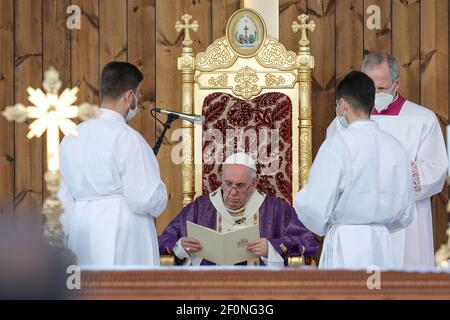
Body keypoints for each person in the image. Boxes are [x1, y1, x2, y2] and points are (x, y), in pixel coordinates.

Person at [327, 53, 448, 268]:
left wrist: (392, 179)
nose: (373, 95)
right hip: (360, 222)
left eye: (381, 88)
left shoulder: (422, 119)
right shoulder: (343, 122)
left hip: (408, 222)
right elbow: (332, 167)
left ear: (397, 83)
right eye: (368, 88)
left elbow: (435, 169)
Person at [295, 71, 414, 269]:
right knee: (378, 294)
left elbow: (314, 207)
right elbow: (406, 211)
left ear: (343, 105)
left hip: (346, 243)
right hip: (382, 242)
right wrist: (377, 224)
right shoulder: (395, 147)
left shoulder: (336, 146)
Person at [58, 62, 167, 266]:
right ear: (129, 96)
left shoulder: (71, 138)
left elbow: (62, 201)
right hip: (125, 233)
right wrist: (161, 192)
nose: (138, 100)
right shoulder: (129, 138)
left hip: (81, 231)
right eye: (138, 94)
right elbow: (146, 198)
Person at [159, 152, 318, 266]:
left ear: (254, 184)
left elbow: (307, 242)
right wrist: (180, 246)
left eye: (240, 185)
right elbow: (163, 240)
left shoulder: (276, 209)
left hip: (261, 289)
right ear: (221, 178)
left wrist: (271, 247)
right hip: (209, 288)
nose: (233, 192)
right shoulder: (201, 207)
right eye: (228, 184)